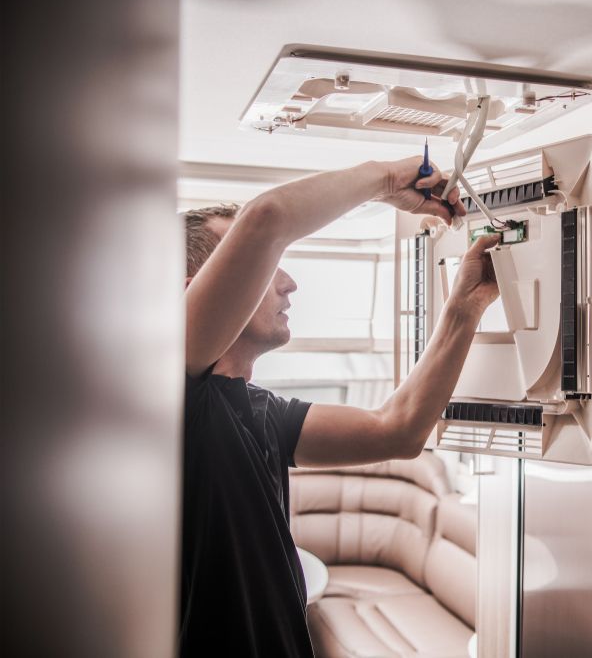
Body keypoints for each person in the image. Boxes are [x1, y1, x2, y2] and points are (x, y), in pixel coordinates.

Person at [179, 157, 499, 656]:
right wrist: (389, 180)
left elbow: (398, 429)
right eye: (264, 265)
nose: (288, 283)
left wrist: (465, 305)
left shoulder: (261, 413)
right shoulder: (166, 395)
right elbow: (268, 217)